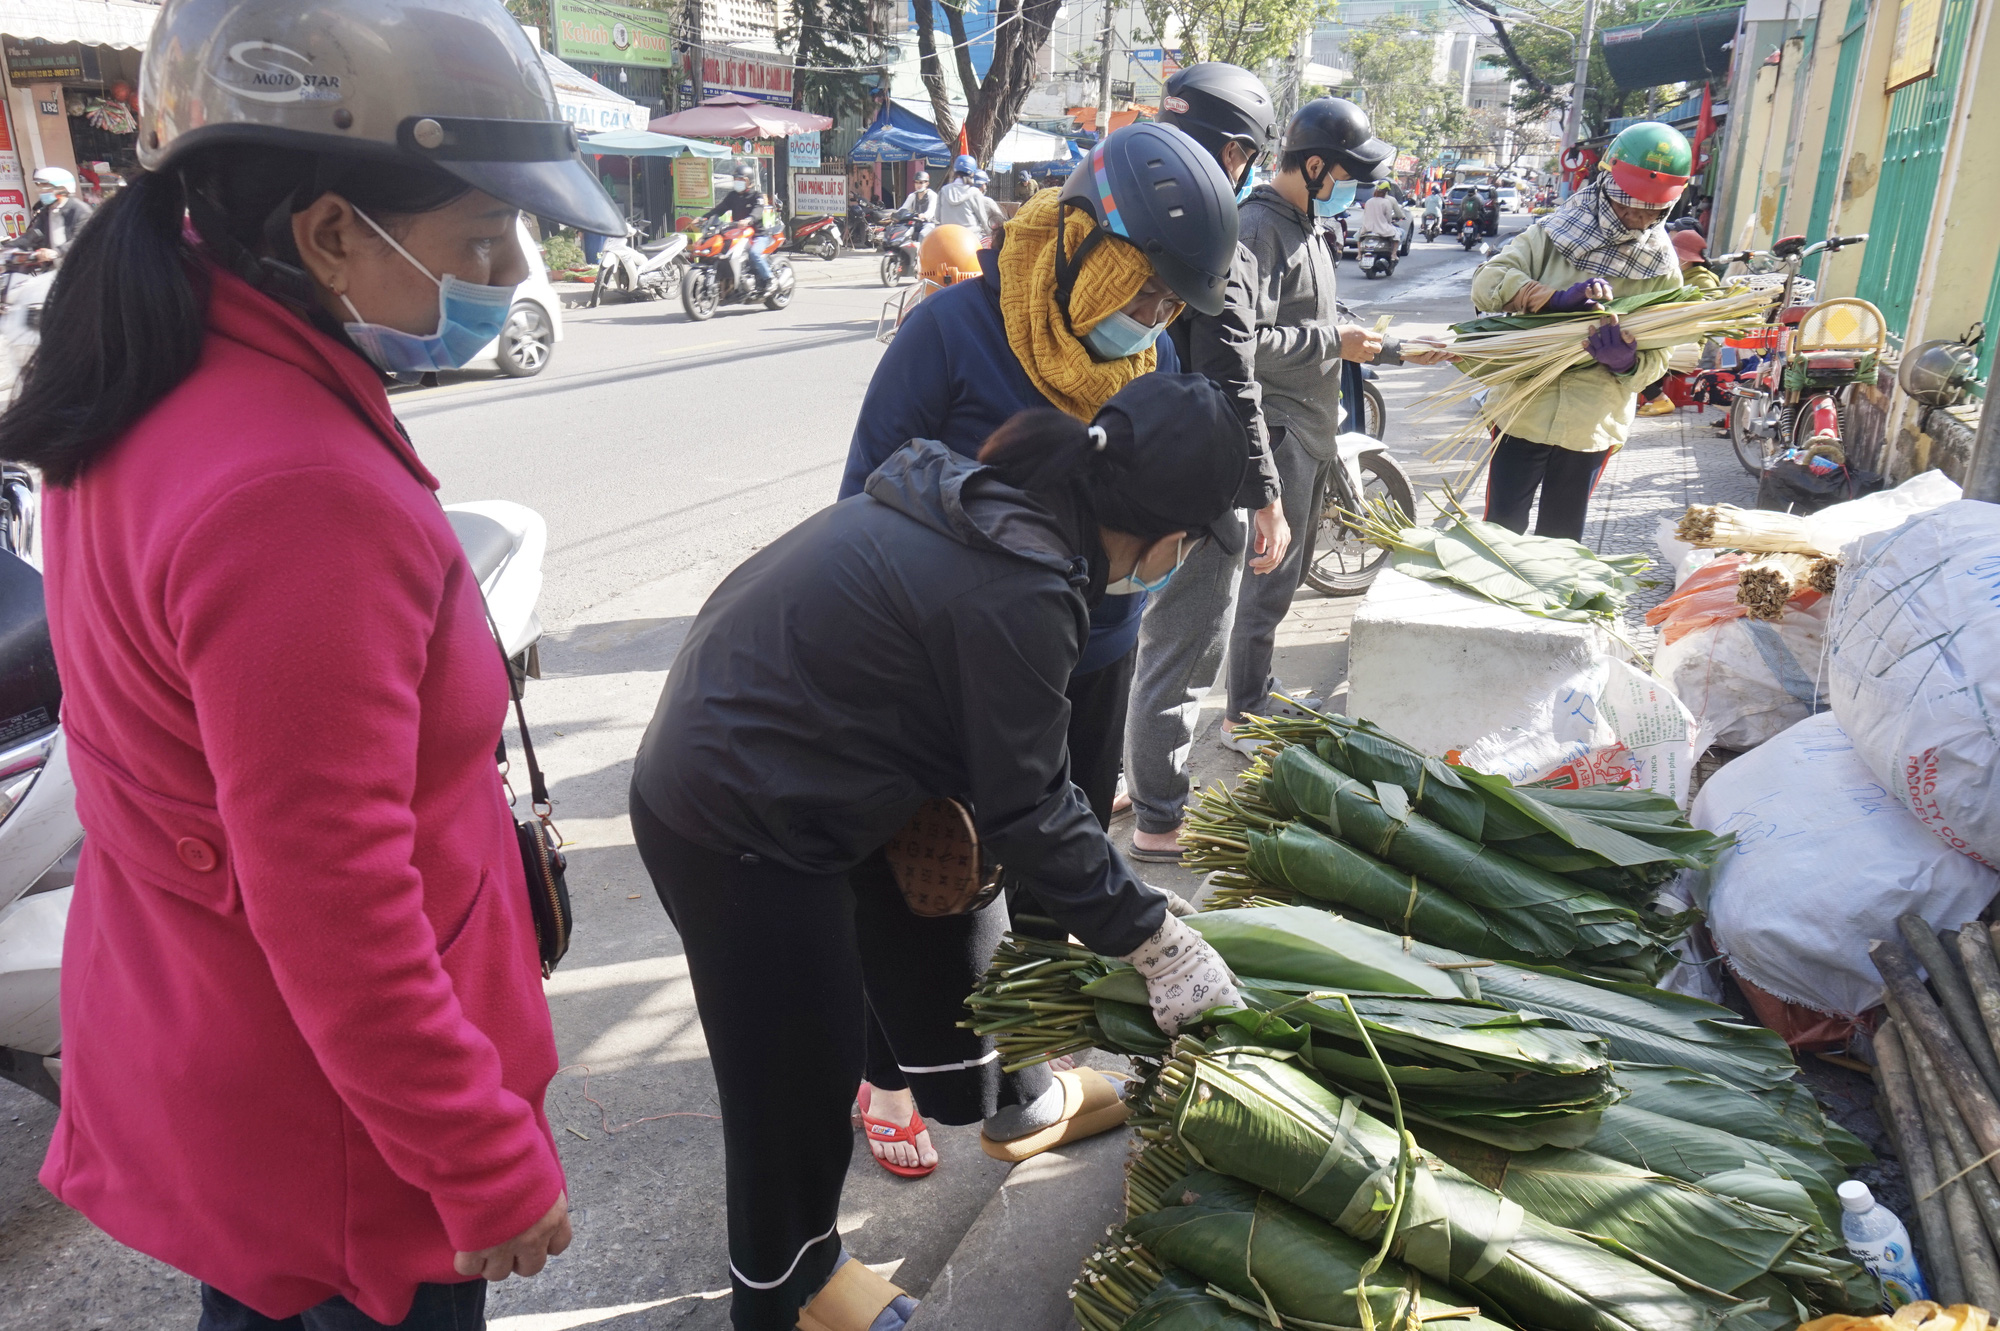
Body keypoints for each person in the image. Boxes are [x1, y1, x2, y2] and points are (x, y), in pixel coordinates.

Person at [1, 2, 627, 1328]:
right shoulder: (291, 488)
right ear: (332, 229)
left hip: (231, 1054)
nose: (515, 271)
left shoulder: (155, 357)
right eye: (481, 235)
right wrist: (479, 1152)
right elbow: (331, 893)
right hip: (346, 1125)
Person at [630, 376, 1251, 1331]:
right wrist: (1158, 941)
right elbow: (1035, 810)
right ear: (1165, 533)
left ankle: (1016, 1099)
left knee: (956, 927)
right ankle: (792, 1288)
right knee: (798, 1070)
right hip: (736, 814)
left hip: (822, 768)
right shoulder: (1025, 585)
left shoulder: (998, 506)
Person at [837, 120, 1237, 1173]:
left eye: (1165, 307)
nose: (1149, 322)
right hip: (948, 676)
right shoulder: (950, 336)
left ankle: (1020, 1070)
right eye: (1140, 291)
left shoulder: (1141, 351)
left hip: (1092, 646)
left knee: (1048, 870)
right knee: (931, 881)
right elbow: (861, 508)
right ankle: (885, 1078)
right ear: (1080, 245)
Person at [1222, 98, 1441, 753]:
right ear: (1314, 165)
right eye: (1350, 176)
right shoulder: (1256, 228)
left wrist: (1401, 348)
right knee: (1266, 581)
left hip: (1313, 429)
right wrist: (1330, 341)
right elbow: (1242, 342)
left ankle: (1257, 691)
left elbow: (1328, 320)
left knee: (1284, 581)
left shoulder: (1306, 222)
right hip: (1280, 431)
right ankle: (1242, 716)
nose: (1357, 191)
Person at [1125, 60, 1288, 862]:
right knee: (1182, 646)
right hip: (1185, 478)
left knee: (1122, 641)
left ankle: (1119, 776)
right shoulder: (1213, 228)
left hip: (1102, 465)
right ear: (1234, 153)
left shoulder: (1108, 202)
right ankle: (1158, 815)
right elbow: (1233, 380)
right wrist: (1266, 498)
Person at [1469, 121, 1699, 539]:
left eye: (1652, 209)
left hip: (1592, 422)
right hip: (1524, 406)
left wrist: (1629, 363)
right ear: (1606, 183)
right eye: (1628, 203)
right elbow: (1488, 281)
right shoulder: (1552, 233)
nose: (1637, 216)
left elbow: (1659, 359)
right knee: (1501, 527)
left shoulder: (1663, 270)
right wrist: (1549, 299)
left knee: (1562, 535)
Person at [1638, 227, 1721, 416]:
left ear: (1687, 258)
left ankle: (1659, 399)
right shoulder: (1678, 277)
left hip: (1687, 346)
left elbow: (1711, 312)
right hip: (1670, 338)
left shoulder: (1703, 281)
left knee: (1627, 356)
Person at [706, 167, 773, 295]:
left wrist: (749, 219)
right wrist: (704, 217)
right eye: (736, 179)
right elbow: (719, 209)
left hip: (758, 235)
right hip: (739, 234)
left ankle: (768, 279)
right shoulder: (732, 196)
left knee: (754, 254)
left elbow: (758, 212)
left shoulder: (756, 196)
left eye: (741, 179)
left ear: (750, 181)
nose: (737, 182)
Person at [14, 167, 93, 264]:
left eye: (45, 188)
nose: (40, 191)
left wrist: (57, 252)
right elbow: (34, 234)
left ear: (62, 189)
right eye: (39, 187)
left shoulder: (81, 211)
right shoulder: (47, 211)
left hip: (77, 270)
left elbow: (80, 240)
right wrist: (8, 246)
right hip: (52, 270)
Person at [934, 153, 989, 232]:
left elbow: (937, 217)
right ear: (972, 173)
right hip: (970, 236)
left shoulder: (943, 190)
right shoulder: (975, 192)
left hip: (946, 236)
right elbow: (983, 219)